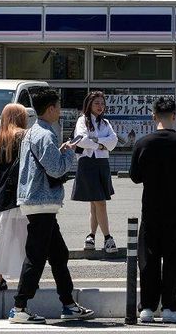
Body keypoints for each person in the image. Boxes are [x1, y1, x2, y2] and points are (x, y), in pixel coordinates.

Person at [10, 88, 94, 324]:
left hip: (37, 200)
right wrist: (70, 153)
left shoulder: (33, 132)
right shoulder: (46, 134)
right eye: (57, 107)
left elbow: (45, 163)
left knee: (59, 255)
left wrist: (61, 152)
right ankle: (20, 308)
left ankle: (68, 303)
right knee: (35, 257)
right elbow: (56, 169)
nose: (59, 111)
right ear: (50, 109)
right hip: (41, 201)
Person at [130, 96, 176, 323]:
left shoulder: (142, 143)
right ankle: (170, 306)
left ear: (153, 116)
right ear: (174, 116)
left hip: (151, 209)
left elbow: (135, 177)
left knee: (148, 258)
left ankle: (148, 308)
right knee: (174, 258)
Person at [0, 103, 29, 293]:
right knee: (26, 238)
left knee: (2, 238)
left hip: (2, 198)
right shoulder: (24, 136)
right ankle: (27, 278)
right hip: (20, 195)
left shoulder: (1, 139)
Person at [72, 91, 118, 254]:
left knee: (96, 203)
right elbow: (81, 140)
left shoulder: (105, 123)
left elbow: (113, 141)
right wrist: (100, 144)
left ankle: (91, 236)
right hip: (87, 163)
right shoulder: (82, 120)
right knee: (99, 202)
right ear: (89, 104)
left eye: (102, 103)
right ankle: (107, 238)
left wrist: (94, 141)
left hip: (102, 163)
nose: (100, 106)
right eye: (97, 103)